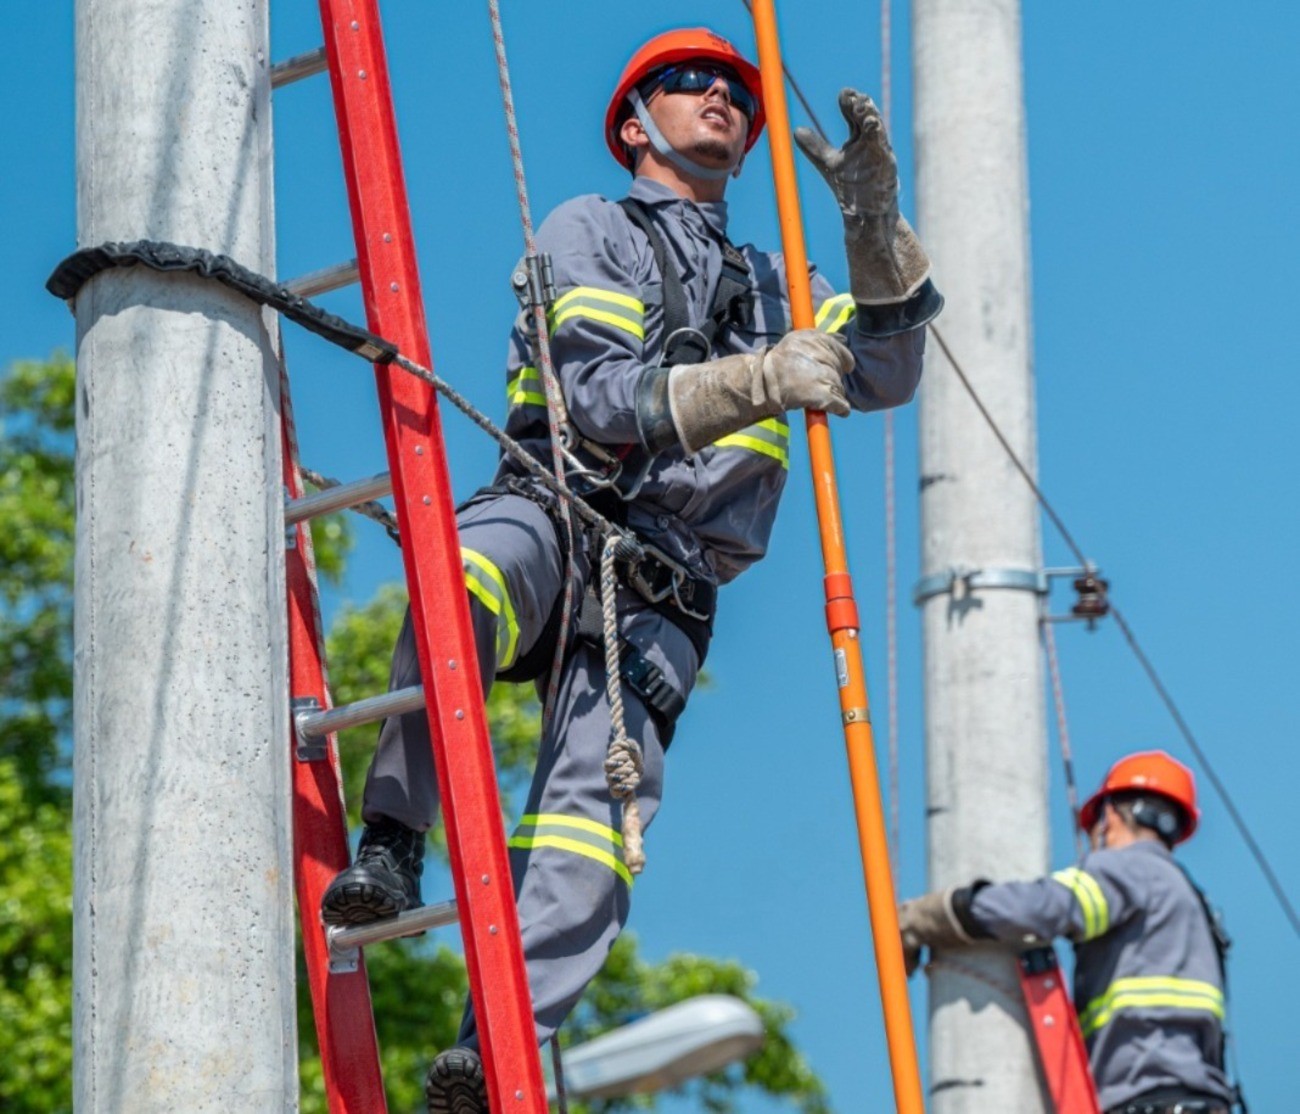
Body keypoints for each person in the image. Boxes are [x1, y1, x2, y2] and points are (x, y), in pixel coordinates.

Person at [323, 25, 942, 1112]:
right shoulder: (591, 229)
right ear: (632, 120)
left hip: (663, 585)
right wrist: (756, 376)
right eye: (689, 81)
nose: (721, 95)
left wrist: (870, 229)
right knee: (461, 580)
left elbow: (885, 368)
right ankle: (392, 836)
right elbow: (601, 399)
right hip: (554, 509)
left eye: (735, 90)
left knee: (590, 826)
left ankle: (496, 1042)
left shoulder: (767, 276)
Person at [898, 750, 1238, 1114]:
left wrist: (935, 915)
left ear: (1108, 817)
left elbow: (1044, 906)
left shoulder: (1128, 869)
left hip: (1145, 1100)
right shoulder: (1192, 903)